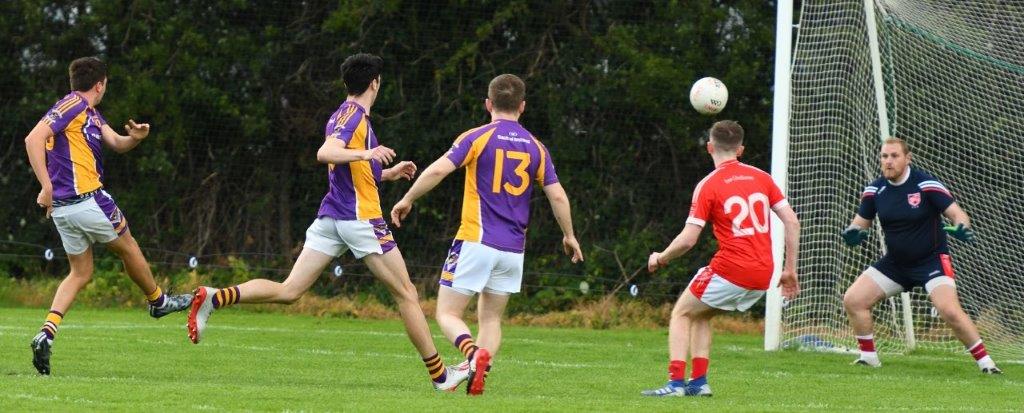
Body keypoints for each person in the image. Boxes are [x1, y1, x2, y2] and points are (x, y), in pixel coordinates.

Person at [185, 53, 467, 391]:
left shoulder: (340, 113)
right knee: (407, 294)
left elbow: (354, 169)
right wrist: (366, 154)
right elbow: (327, 152)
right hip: (360, 219)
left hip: (332, 216)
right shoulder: (355, 118)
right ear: (374, 82)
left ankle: (213, 297)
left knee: (290, 290)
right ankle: (440, 376)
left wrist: (388, 172)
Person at [390, 73, 583, 395]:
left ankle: (471, 355)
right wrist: (569, 235)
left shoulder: (477, 137)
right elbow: (558, 195)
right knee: (491, 320)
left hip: (476, 241)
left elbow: (439, 169)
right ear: (522, 106)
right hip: (513, 249)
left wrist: (407, 198)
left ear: (488, 104)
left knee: (448, 313)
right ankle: (481, 366)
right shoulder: (536, 147)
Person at [23, 57, 193, 375]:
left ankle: (46, 333)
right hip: (88, 200)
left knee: (80, 272)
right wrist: (45, 186)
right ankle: (158, 302)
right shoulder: (72, 104)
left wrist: (136, 139)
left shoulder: (89, 113)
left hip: (64, 210)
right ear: (100, 84)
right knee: (128, 247)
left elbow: (116, 142)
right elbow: (32, 139)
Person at [641, 120, 801, 397]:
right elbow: (792, 221)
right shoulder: (762, 177)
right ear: (740, 149)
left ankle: (675, 384)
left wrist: (661, 257)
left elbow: (689, 239)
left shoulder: (708, 185)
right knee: (700, 316)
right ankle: (699, 382)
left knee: (680, 312)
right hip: (764, 273)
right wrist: (790, 270)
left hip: (733, 268)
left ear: (710, 147)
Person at [840, 137, 1000, 374]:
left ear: (907, 158)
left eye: (894, 156)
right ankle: (868, 357)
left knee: (949, 310)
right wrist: (853, 233)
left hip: (931, 261)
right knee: (853, 300)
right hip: (895, 264)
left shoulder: (926, 184)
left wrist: (962, 226)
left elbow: (958, 214)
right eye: (884, 156)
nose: (888, 161)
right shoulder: (874, 191)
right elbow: (859, 224)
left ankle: (987, 363)